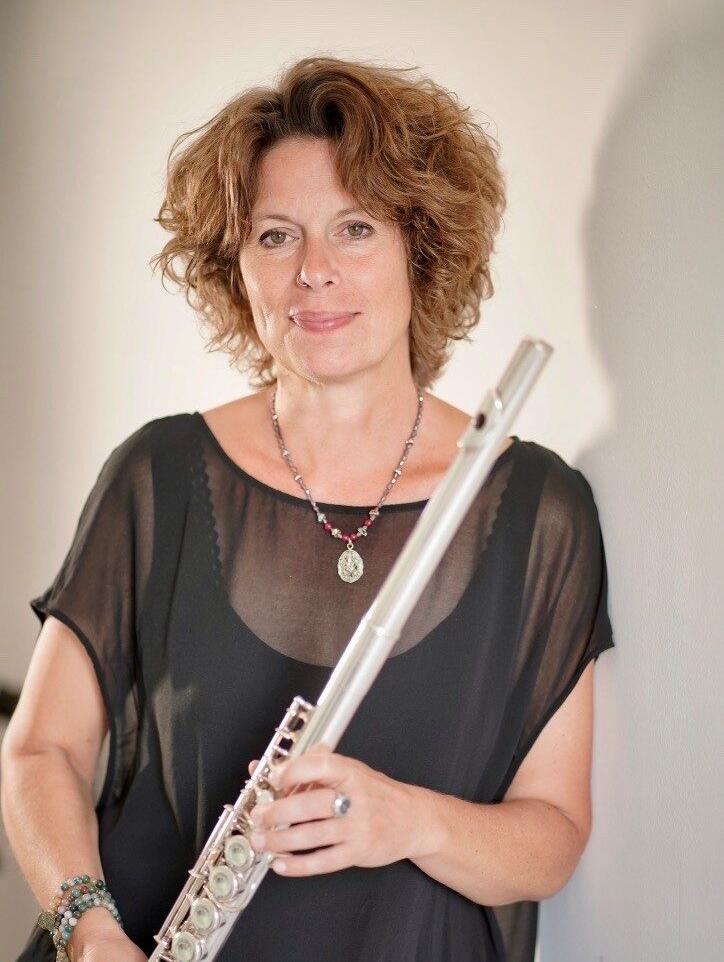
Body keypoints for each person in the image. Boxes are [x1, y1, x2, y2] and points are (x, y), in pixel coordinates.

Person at [2, 55, 615, 962]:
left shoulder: (537, 510)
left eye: (356, 228)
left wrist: (404, 820)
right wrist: (89, 930)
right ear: (237, 264)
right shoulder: (160, 474)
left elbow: (553, 832)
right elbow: (39, 753)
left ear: (424, 244)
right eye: (277, 236)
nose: (314, 273)